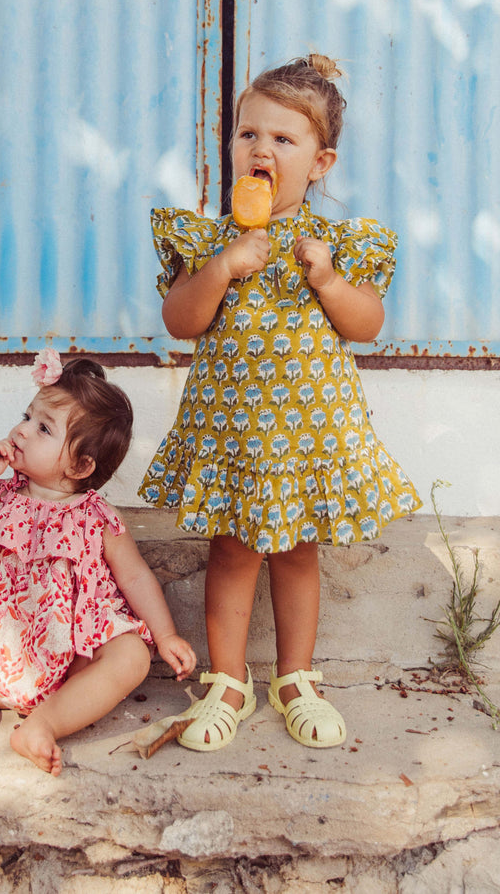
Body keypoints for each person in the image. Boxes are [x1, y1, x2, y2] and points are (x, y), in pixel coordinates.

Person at [138, 54, 420, 751]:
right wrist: (220, 269)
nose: (260, 150)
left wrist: (327, 281)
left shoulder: (339, 247)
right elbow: (181, 321)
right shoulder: (207, 240)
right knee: (231, 552)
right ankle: (226, 682)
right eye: (247, 135)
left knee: (297, 553)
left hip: (306, 440)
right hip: (234, 435)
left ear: (320, 163)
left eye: (282, 141)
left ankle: (295, 676)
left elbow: (367, 324)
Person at [0, 350, 196, 775]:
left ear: (80, 465)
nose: (22, 431)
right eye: (27, 417)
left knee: (132, 656)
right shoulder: (3, 498)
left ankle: (42, 726)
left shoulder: (97, 517)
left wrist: (164, 635)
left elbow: (134, 575)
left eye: (43, 428)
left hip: (75, 662)